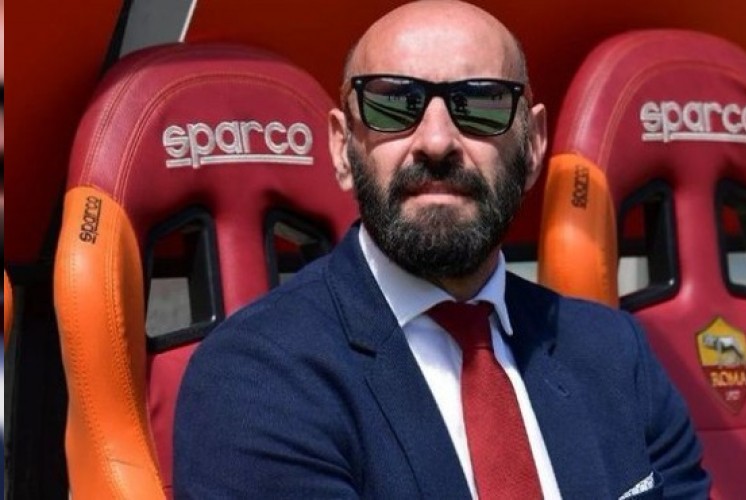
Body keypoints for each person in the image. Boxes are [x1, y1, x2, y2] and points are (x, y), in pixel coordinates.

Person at [174, 1, 710, 498]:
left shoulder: (617, 355)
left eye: (480, 104)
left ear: (532, 146)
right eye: (392, 104)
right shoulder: (255, 378)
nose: (436, 142)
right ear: (341, 148)